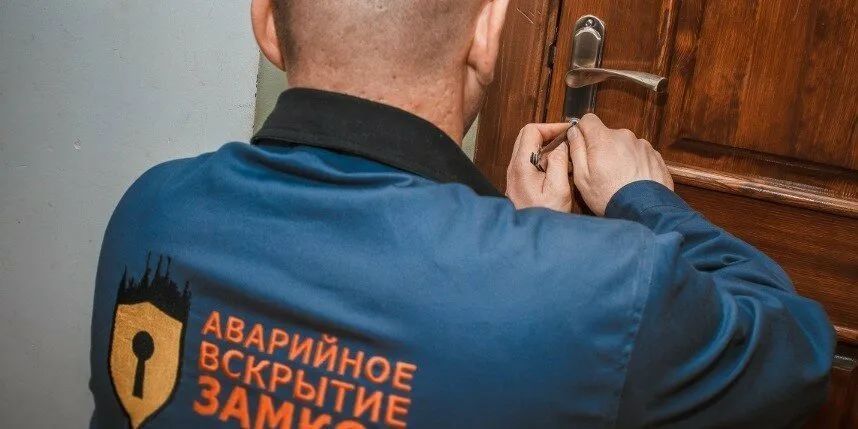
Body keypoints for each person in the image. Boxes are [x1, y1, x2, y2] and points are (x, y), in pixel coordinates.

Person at [89, 0, 834, 428]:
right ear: (487, 31)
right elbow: (800, 352)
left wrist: (530, 241)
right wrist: (645, 201)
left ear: (267, 23)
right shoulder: (596, 289)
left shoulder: (152, 215)